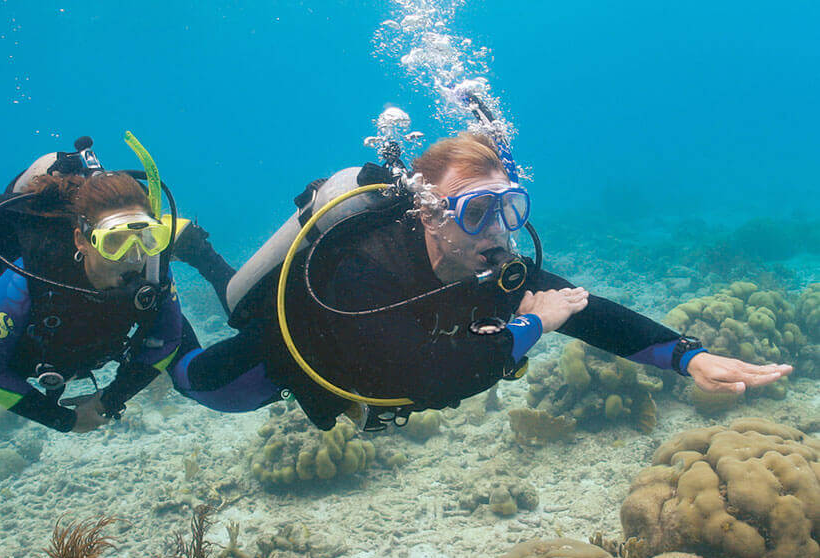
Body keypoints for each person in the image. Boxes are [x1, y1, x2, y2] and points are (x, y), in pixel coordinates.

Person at [172, 128, 793, 431]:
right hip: (295, 361)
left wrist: (689, 358)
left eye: (510, 208)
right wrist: (533, 324)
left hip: (388, 387)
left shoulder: (494, 265)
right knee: (198, 384)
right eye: (475, 211)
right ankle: (186, 271)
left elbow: (583, 308)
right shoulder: (366, 268)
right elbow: (433, 376)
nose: (499, 231)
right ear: (426, 212)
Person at [0, 136, 235, 433]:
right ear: (80, 240)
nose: (134, 258)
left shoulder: (152, 267)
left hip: (73, 350)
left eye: (146, 239)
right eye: (114, 241)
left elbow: (167, 341)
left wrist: (109, 400)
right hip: (12, 336)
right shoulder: (31, 275)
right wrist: (65, 421)